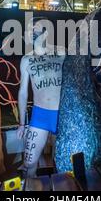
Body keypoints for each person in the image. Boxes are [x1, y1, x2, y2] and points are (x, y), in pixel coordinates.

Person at [17, 18, 66, 178]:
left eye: (35, 29)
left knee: (65, 163)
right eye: (29, 30)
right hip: (40, 116)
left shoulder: (61, 52)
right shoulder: (26, 60)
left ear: (45, 33)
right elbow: (23, 92)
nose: (31, 32)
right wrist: (22, 123)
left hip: (64, 114)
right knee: (29, 163)